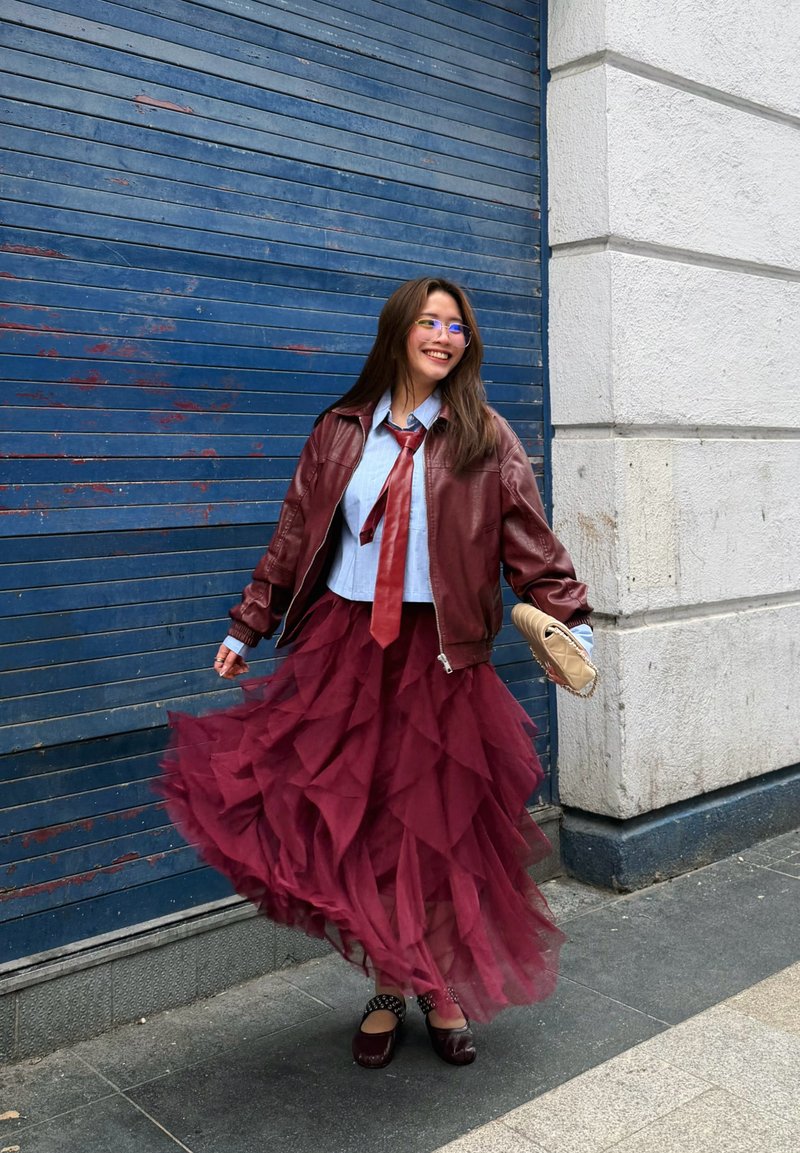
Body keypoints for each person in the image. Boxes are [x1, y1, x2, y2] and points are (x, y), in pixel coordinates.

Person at [160, 276, 593, 1070]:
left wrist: (575, 625)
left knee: (434, 832)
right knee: (359, 830)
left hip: (439, 658)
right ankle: (401, 983)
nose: (442, 335)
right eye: (428, 321)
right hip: (346, 651)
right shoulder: (339, 430)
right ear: (398, 331)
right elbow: (295, 531)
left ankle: (427, 986)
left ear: (468, 343)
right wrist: (249, 621)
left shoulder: (484, 437)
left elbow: (532, 544)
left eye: (455, 326)